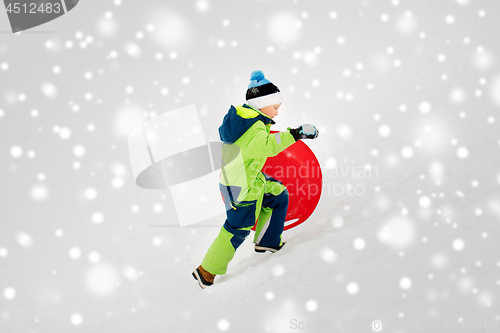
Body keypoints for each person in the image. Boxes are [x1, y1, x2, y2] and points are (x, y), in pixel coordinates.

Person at [192, 70, 319, 289]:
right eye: (275, 107)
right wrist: (296, 133)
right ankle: (207, 270)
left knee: (277, 194)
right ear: (262, 104)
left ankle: (267, 241)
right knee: (236, 230)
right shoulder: (254, 127)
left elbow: (260, 143)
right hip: (241, 188)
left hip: (249, 180)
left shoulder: (247, 119)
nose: (277, 113)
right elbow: (268, 146)